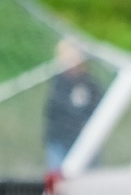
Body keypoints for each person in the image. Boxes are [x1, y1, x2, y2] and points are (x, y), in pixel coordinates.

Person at [44, 38, 103, 177]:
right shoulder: (58, 83)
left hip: (85, 141)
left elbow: (96, 108)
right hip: (60, 141)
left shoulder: (90, 84)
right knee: (58, 184)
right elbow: (55, 111)